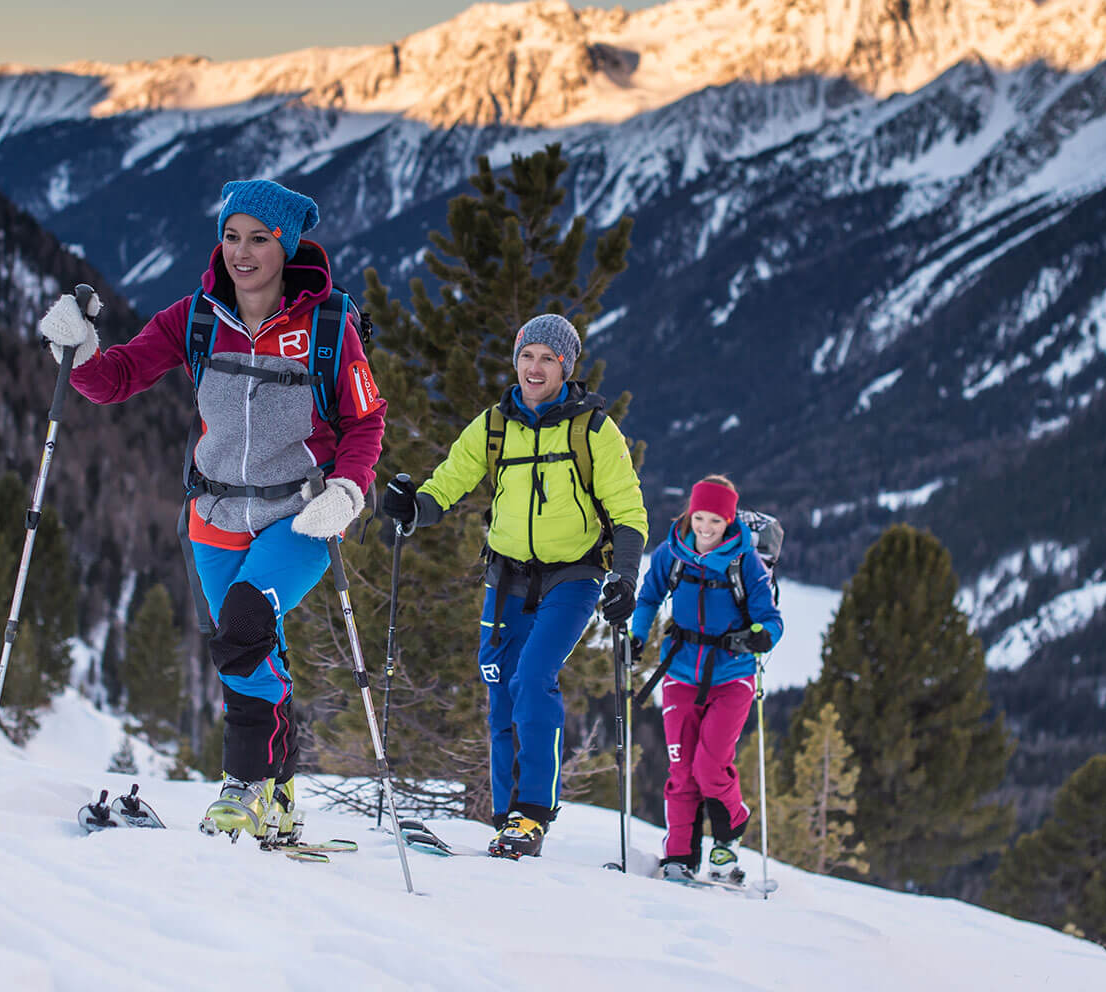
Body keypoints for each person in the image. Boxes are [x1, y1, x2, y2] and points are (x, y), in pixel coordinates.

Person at [38, 179, 385, 840]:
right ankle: (280, 794)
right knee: (248, 653)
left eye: (259, 239)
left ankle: (243, 787)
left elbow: (364, 420)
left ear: (286, 245)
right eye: (231, 237)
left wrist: (349, 488)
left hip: (302, 514)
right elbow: (115, 381)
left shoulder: (329, 323)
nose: (242, 253)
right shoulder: (195, 316)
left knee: (245, 625)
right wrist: (76, 354)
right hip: (214, 514)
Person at [381, 313, 648, 858]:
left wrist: (624, 575)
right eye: (527, 355)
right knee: (499, 690)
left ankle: (532, 814)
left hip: (573, 576)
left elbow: (628, 510)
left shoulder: (593, 428)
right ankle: (506, 819)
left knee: (533, 676)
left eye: (548, 358)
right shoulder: (495, 424)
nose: (534, 367)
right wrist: (415, 509)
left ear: (565, 367)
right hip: (506, 575)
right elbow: (451, 480)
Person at [629, 475, 782, 884]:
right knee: (681, 770)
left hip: (731, 676)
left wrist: (759, 637)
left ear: (728, 520)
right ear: (689, 513)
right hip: (680, 672)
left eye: (715, 520)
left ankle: (729, 833)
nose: (706, 528)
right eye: (700, 517)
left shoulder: (745, 561)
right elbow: (648, 596)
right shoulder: (671, 553)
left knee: (710, 765)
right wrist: (637, 635)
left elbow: (770, 619)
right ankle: (678, 856)